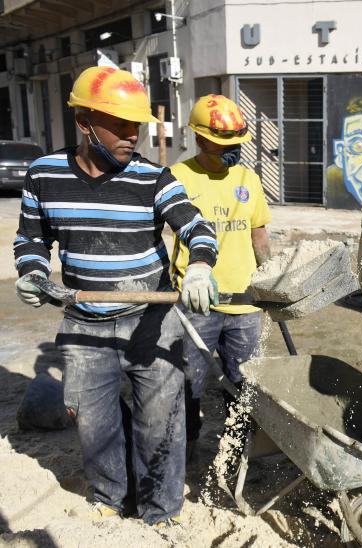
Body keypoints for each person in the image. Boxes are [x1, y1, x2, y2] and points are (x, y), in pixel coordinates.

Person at [13, 66, 218, 526]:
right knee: (94, 421)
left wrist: (201, 263)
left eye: (137, 125)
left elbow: (196, 226)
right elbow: (30, 239)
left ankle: (160, 511)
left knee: (160, 421)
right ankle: (109, 497)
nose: (133, 134)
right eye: (121, 124)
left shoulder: (153, 177)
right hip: (84, 322)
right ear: (84, 122)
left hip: (151, 319)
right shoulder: (43, 175)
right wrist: (31, 272)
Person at [169, 94, 272, 458]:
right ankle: (187, 447)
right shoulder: (178, 178)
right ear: (199, 138)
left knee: (244, 384)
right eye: (222, 142)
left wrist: (270, 277)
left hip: (244, 304)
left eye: (236, 143)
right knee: (187, 381)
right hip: (197, 303)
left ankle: (239, 452)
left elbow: (258, 233)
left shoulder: (249, 178)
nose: (232, 150)